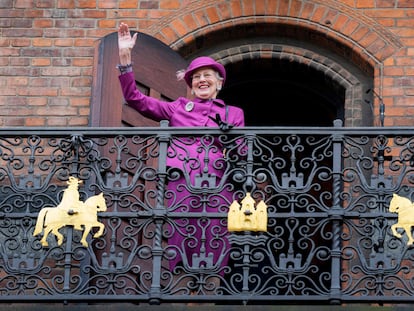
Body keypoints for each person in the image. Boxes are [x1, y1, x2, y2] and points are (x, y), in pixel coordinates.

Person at [117, 22, 245, 286]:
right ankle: (182, 282)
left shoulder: (233, 113)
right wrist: (125, 58)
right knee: (181, 229)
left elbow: (242, 149)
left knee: (218, 231)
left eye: (207, 75)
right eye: (195, 77)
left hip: (219, 182)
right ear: (189, 84)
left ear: (219, 84)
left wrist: (229, 139)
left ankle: (212, 284)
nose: (201, 80)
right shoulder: (177, 108)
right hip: (182, 179)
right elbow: (135, 99)